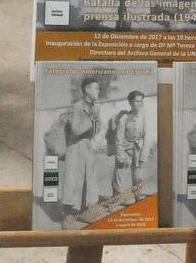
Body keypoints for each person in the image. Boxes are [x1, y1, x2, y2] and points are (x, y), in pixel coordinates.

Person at [61, 77, 103, 225]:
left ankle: (85, 211)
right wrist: (91, 117)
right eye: (96, 88)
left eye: (98, 88)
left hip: (87, 147)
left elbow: (96, 129)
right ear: (87, 89)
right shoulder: (76, 106)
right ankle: (68, 215)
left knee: (88, 180)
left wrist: (96, 120)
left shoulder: (95, 107)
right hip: (75, 147)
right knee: (73, 181)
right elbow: (76, 129)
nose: (98, 91)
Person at [112, 90, 148, 195]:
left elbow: (146, 136)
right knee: (119, 176)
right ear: (130, 102)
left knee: (138, 177)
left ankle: (138, 199)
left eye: (141, 101)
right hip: (125, 150)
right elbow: (118, 139)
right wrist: (120, 155)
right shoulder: (124, 118)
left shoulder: (143, 117)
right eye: (137, 101)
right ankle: (115, 201)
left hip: (138, 150)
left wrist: (143, 154)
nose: (140, 103)